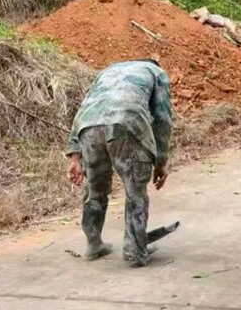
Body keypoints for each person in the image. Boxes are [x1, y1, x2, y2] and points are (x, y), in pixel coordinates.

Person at [65, 59, 173, 267]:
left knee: (95, 189)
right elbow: (162, 118)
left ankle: (93, 244)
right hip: (127, 123)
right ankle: (135, 251)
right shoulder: (156, 72)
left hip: (88, 126)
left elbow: (84, 108)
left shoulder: (107, 71)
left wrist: (74, 155)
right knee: (135, 192)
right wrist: (161, 161)